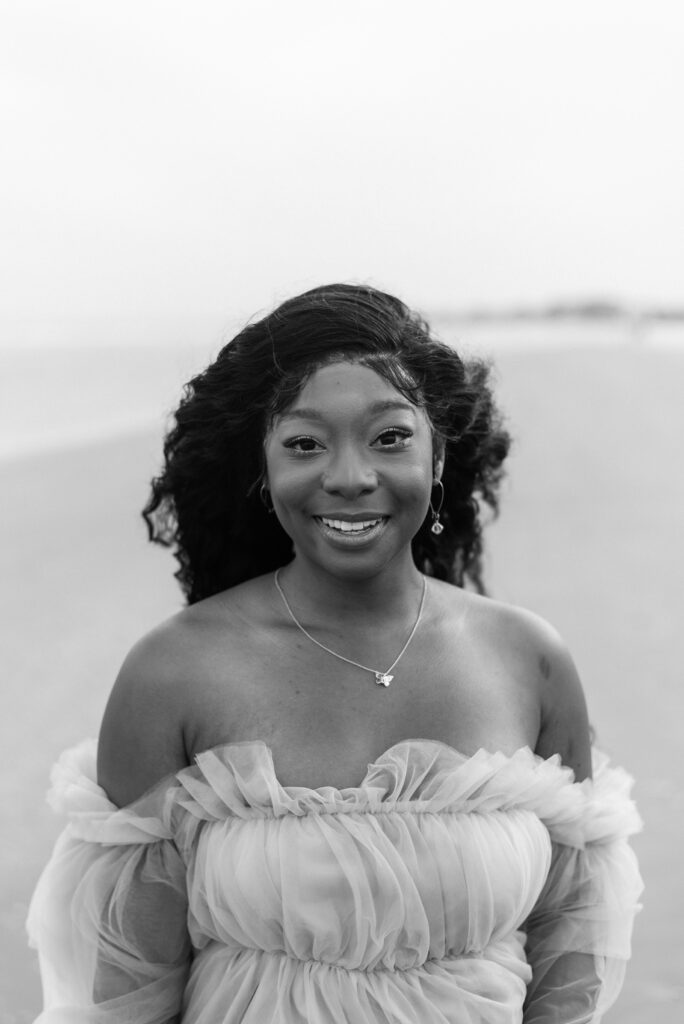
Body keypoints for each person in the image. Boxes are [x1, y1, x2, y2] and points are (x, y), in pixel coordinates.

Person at [28, 284, 643, 1023]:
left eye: (389, 437)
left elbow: (568, 954)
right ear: (262, 467)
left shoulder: (528, 660)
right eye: (305, 443)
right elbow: (131, 993)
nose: (350, 476)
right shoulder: (174, 673)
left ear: (438, 454)